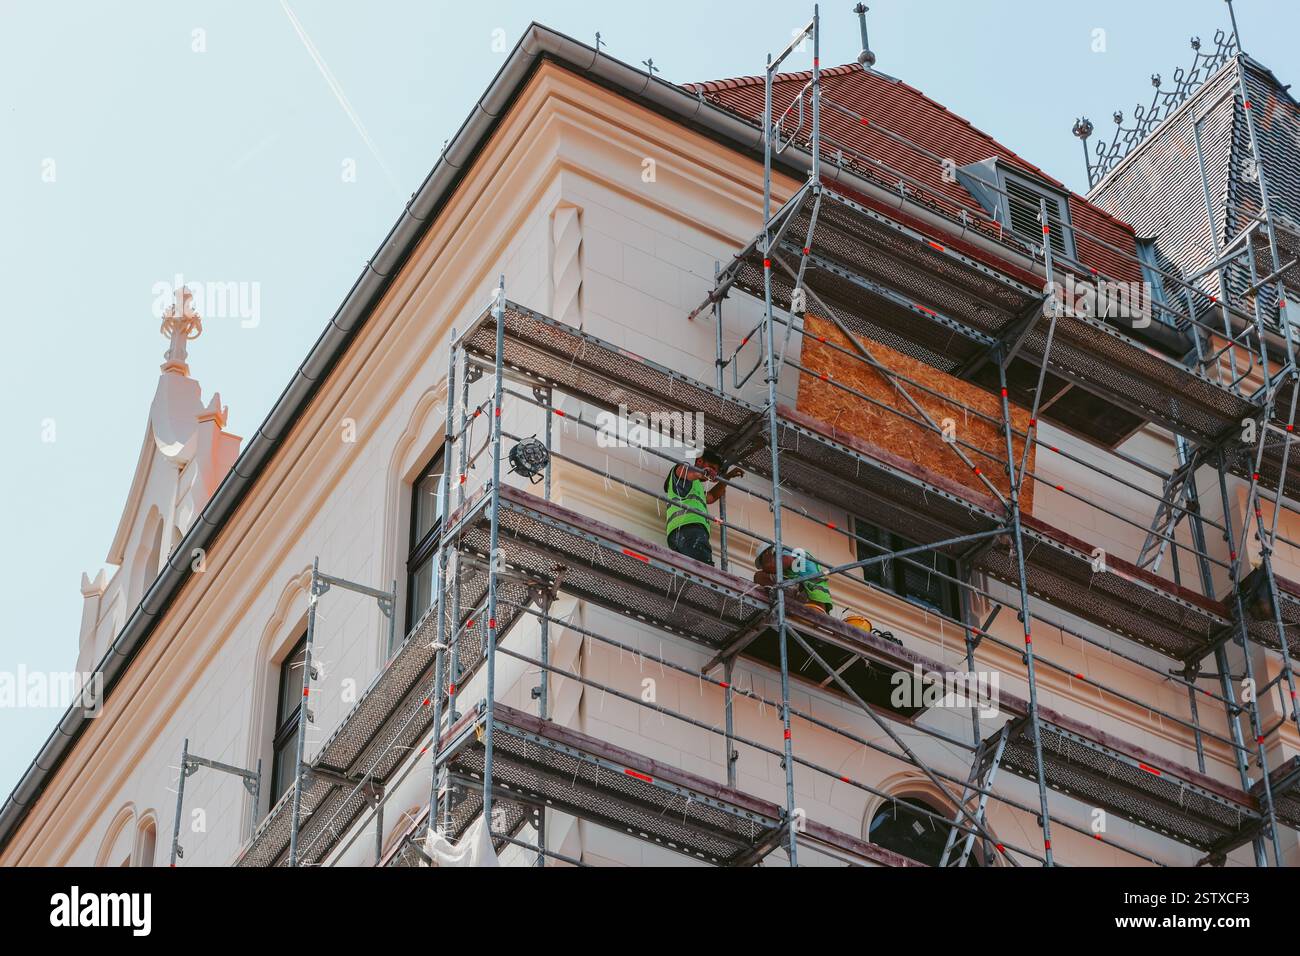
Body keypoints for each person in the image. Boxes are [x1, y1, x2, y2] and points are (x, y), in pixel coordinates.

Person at [664, 450, 740, 565]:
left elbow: (712, 496)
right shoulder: (682, 470)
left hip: (680, 534)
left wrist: (727, 478)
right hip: (690, 530)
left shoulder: (696, 486)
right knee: (703, 568)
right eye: (712, 467)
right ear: (699, 461)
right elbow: (684, 471)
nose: (713, 473)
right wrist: (702, 473)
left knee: (689, 570)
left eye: (716, 471)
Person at [754, 544, 833, 614]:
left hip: (808, 596)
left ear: (768, 552)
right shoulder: (795, 558)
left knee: (759, 576)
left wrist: (767, 563)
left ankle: (778, 592)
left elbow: (772, 566)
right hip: (817, 601)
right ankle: (778, 593)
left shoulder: (786, 553)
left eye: (763, 562)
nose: (763, 567)